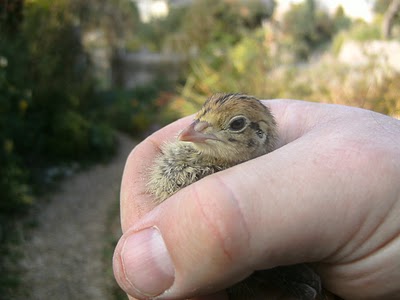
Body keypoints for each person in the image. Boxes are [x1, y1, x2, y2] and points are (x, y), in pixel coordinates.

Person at [113, 99, 400, 300]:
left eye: (235, 125)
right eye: (201, 119)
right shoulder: (183, 154)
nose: (196, 129)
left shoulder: (270, 177)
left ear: (260, 134)